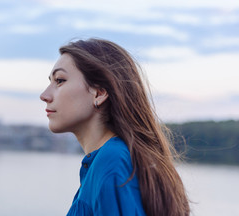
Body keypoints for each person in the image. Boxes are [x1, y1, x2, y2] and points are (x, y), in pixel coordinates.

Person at [40, 38, 190, 216]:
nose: (44, 95)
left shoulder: (112, 162)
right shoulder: (106, 163)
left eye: (60, 80)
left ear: (100, 92)